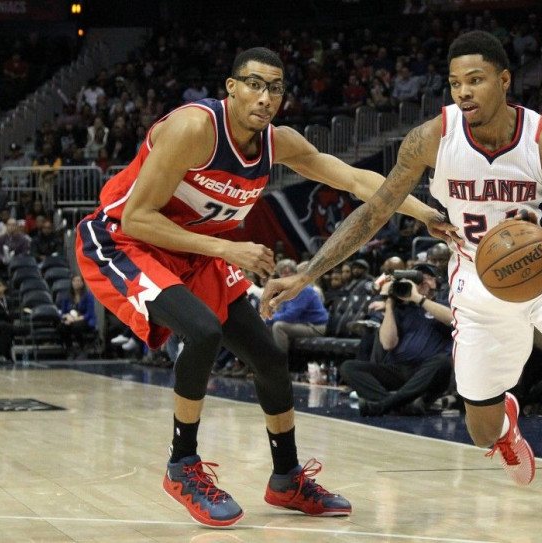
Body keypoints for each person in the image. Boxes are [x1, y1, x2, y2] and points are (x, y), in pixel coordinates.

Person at [262, 31, 542, 534]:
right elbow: (374, 213)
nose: (463, 92)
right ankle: (504, 427)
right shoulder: (431, 137)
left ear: (504, 80)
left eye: (475, 80)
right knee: (479, 430)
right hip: (476, 285)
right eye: (455, 83)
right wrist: (308, 272)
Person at [75, 46, 453, 528]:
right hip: (123, 240)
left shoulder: (279, 143)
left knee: (269, 358)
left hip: (196, 251)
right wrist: (229, 250)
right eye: (254, 83)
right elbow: (138, 217)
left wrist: (425, 213)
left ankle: (286, 478)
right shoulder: (194, 129)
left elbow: (357, 179)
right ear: (230, 88)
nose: (265, 96)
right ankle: (182, 464)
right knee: (204, 331)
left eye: (275, 88)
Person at [340, 262, 453, 416]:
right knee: (349, 367)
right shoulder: (402, 308)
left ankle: (383, 405)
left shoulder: (444, 304)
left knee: (443, 362)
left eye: (427, 277)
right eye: (418, 278)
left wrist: (419, 298)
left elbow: (451, 319)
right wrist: (389, 303)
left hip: (427, 373)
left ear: (436, 282)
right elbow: (388, 344)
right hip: (399, 370)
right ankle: (400, 405)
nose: (421, 281)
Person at [265, 259, 328, 357]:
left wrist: (269, 319)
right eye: (282, 273)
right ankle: (263, 360)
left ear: (295, 273)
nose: (285, 276)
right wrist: (267, 319)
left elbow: (291, 315)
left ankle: (281, 363)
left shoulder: (303, 289)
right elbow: (282, 312)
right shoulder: (286, 291)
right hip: (302, 324)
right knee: (266, 327)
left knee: (278, 326)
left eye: (288, 272)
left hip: (315, 327)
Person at [57, 275, 97, 359]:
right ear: (71, 283)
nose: (76, 283)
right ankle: (69, 349)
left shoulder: (88, 296)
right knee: (62, 327)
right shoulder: (66, 296)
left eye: (79, 281)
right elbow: (62, 312)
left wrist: (75, 319)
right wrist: (67, 316)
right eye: (74, 281)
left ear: (82, 283)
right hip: (70, 319)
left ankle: (83, 348)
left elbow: (89, 313)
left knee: (77, 327)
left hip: (84, 320)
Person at [0, 278, 14, 364]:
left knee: (8, 327)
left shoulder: (8, 300)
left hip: (6, 323)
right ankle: (1, 354)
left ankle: (6, 355)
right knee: (6, 327)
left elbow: (12, 313)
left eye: (0, 286)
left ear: (5, 288)